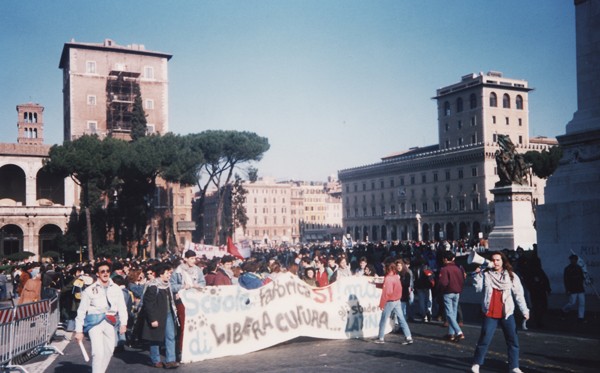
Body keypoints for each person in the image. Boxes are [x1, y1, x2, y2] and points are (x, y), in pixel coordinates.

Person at [471, 251, 529, 373]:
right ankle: (476, 364)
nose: (495, 262)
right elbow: (478, 289)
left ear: (503, 261)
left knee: (513, 340)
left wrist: (524, 310)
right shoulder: (486, 274)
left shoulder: (511, 275)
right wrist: (477, 275)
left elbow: (519, 294)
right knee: (484, 339)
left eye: (498, 260)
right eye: (493, 260)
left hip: (507, 313)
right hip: (490, 313)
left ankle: (514, 366)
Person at [74, 261, 128, 373]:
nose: (105, 273)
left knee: (109, 351)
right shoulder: (89, 290)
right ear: (97, 274)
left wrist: (123, 323)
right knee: (97, 352)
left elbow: (122, 307)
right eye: (102, 271)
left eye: (107, 271)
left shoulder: (116, 288)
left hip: (110, 322)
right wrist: (79, 331)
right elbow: (81, 311)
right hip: (95, 323)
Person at [141, 263, 179, 369]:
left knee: (170, 336)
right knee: (155, 338)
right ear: (161, 274)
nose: (169, 275)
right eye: (167, 273)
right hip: (157, 316)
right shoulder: (153, 286)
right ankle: (156, 360)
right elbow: (148, 304)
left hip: (168, 314)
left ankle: (170, 360)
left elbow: (169, 300)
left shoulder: (168, 285)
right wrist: (152, 319)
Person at [171, 250, 206, 359]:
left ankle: (195, 347)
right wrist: (181, 287)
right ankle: (181, 349)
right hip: (182, 300)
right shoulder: (178, 271)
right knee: (184, 325)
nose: (193, 261)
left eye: (194, 258)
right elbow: (171, 286)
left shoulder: (198, 270)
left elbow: (203, 282)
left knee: (195, 324)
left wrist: (197, 285)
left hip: (195, 300)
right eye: (191, 258)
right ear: (185, 259)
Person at [374, 261, 413, 345]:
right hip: (397, 300)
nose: (383, 268)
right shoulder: (395, 276)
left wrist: (381, 304)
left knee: (383, 319)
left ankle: (381, 338)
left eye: (384, 267)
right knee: (401, 318)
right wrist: (376, 284)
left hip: (390, 301)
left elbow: (386, 293)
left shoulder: (388, 278)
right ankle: (408, 336)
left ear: (388, 268)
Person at [437, 251, 465, 342]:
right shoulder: (458, 268)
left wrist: (440, 289)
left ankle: (458, 332)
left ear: (445, 259)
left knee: (449, 314)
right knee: (453, 313)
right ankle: (451, 333)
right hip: (457, 292)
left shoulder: (444, 269)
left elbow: (443, 282)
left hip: (448, 292)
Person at [561, 254, 586, 322]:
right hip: (572, 288)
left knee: (582, 303)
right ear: (570, 260)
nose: (573, 261)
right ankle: (564, 310)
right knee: (572, 303)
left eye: (575, 259)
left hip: (580, 288)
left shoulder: (579, 268)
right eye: (572, 259)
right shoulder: (567, 269)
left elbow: (582, 277)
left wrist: (586, 279)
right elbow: (566, 280)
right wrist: (567, 289)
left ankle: (581, 317)